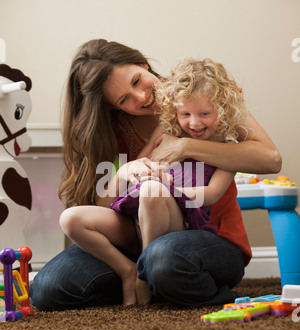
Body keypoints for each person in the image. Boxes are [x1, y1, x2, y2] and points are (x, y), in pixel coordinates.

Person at [29, 39, 282, 311]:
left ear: (143, 64)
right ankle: (150, 282)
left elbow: (271, 158)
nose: (140, 97)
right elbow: (100, 208)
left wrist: (186, 145)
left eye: (137, 80)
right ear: (112, 106)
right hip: (133, 236)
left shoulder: (201, 93)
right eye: (123, 99)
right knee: (47, 288)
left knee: (162, 258)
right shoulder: (107, 129)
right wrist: (123, 173)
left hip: (207, 235)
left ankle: (164, 280)